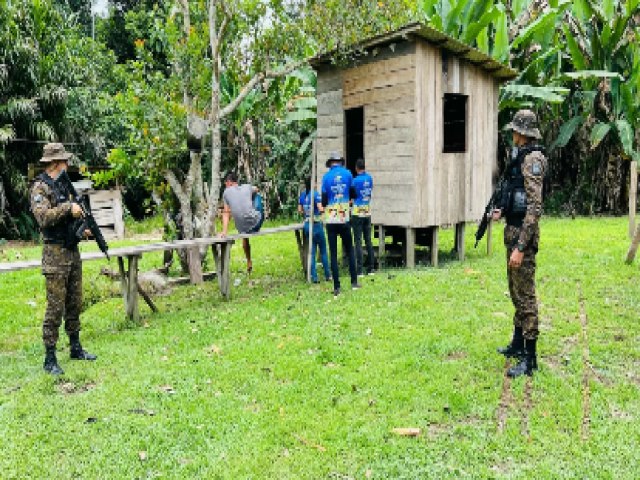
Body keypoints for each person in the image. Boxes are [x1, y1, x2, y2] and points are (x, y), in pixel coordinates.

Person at [30, 143, 97, 375]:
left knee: (74, 302)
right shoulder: (40, 188)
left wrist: (82, 228)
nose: (68, 165)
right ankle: (50, 357)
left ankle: (75, 347)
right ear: (55, 163)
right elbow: (43, 218)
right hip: (54, 254)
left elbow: (69, 217)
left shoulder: (64, 186)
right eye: (65, 161)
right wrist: (69, 209)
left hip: (71, 250)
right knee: (55, 306)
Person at [492, 110, 547, 378]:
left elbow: (535, 207)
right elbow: (519, 196)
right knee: (515, 291)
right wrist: (502, 210)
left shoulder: (533, 160)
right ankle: (517, 343)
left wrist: (521, 247)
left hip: (521, 239)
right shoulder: (521, 157)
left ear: (523, 133)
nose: (512, 134)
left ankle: (530, 357)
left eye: (515, 130)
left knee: (526, 296)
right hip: (512, 231)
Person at [321, 151, 360, 296]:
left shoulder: (326, 178)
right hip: (344, 219)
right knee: (350, 249)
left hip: (331, 220)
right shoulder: (348, 174)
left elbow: (324, 201)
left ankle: (337, 287)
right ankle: (354, 282)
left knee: (333, 252)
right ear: (340, 162)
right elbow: (354, 194)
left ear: (330, 163)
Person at [219, 172, 264, 272]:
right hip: (256, 224)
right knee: (257, 196)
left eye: (225, 183)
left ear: (229, 182)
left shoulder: (226, 193)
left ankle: (249, 260)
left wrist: (224, 231)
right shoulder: (247, 187)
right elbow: (257, 189)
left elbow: (226, 213)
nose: (225, 186)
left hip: (242, 227)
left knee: (244, 233)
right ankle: (249, 261)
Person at [298, 177, 331, 283]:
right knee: (323, 251)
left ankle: (314, 277)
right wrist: (326, 209)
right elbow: (320, 209)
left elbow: (300, 210)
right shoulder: (316, 194)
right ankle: (328, 275)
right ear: (313, 183)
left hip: (307, 225)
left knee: (311, 252)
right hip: (316, 225)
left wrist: (306, 212)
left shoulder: (303, 195)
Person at [350, 158, 375, 276]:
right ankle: (371, 268)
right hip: (367, 211)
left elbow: (352, 197)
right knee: (368, 240)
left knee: (358, 241)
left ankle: (359, 270)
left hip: (357, 212)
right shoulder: (370, 178)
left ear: (356, 168)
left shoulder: (354, 181)